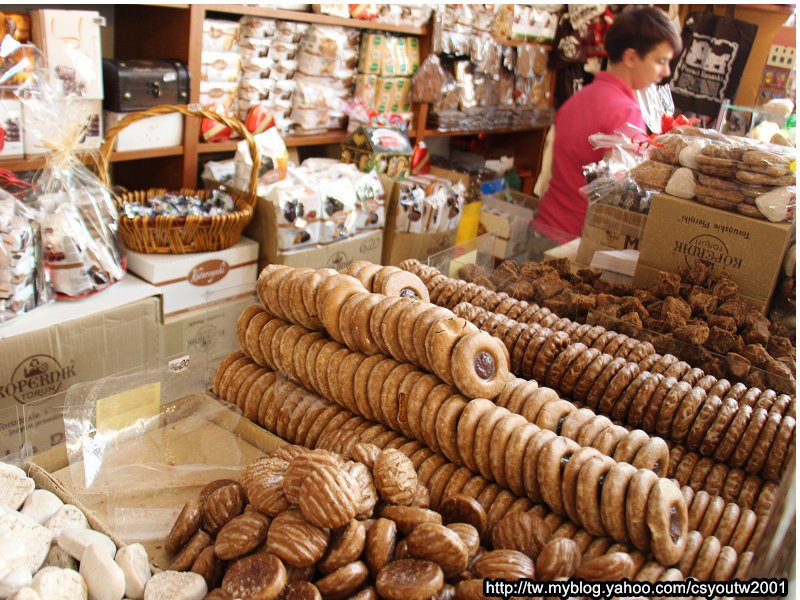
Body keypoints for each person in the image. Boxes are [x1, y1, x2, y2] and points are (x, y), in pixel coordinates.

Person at [535, 7, 682, 241]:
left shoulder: (577, 99)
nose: (665, 72)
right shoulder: (625, 111)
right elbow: (620, 195)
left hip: (546, 225)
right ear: (631, 57)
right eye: (660, 61)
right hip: (576, 240)